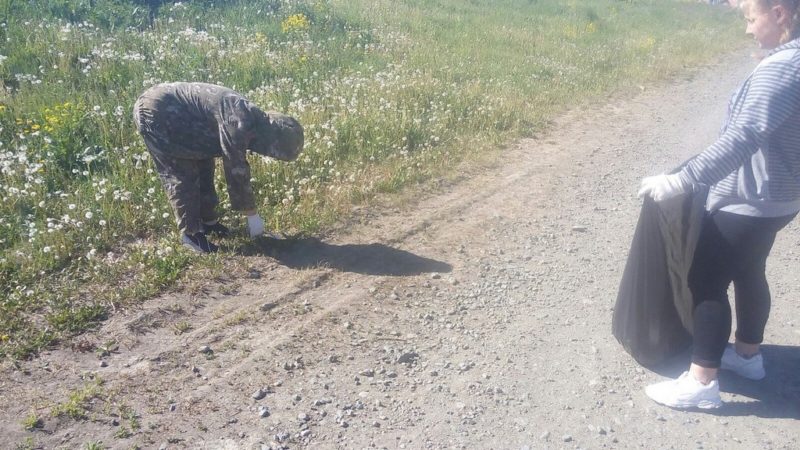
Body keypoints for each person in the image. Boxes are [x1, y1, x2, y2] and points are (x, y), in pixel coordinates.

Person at [638, 0, 800, 409]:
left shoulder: (785, 67)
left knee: (705, 280)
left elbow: (743, 137)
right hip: (779, 196)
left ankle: (702, 382)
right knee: (749, 270)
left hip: (750, 197)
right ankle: (747, 356)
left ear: (779, 14)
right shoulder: (789, 60)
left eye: (750, 18)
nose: (747, 29)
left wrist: (683, 178)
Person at [133, 82, 304, 253]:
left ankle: (209, 224)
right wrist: (252, 216)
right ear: (272, 138)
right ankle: (191, 235)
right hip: (157, 112)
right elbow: (235, 168)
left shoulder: (252, 118)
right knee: (181, 172)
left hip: (180, 114)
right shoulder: (239, 122)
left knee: (205, 163)